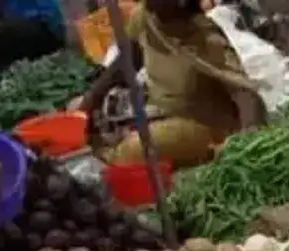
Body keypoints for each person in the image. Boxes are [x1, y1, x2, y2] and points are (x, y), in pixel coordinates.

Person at [79, 0, 266, 169]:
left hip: (205, 124)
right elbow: (127, 60)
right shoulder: (145, 17)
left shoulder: (203, 37)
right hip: (160, 112)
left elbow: (244, 91)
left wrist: (248, 139)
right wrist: (91, 98)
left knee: (134, 150)